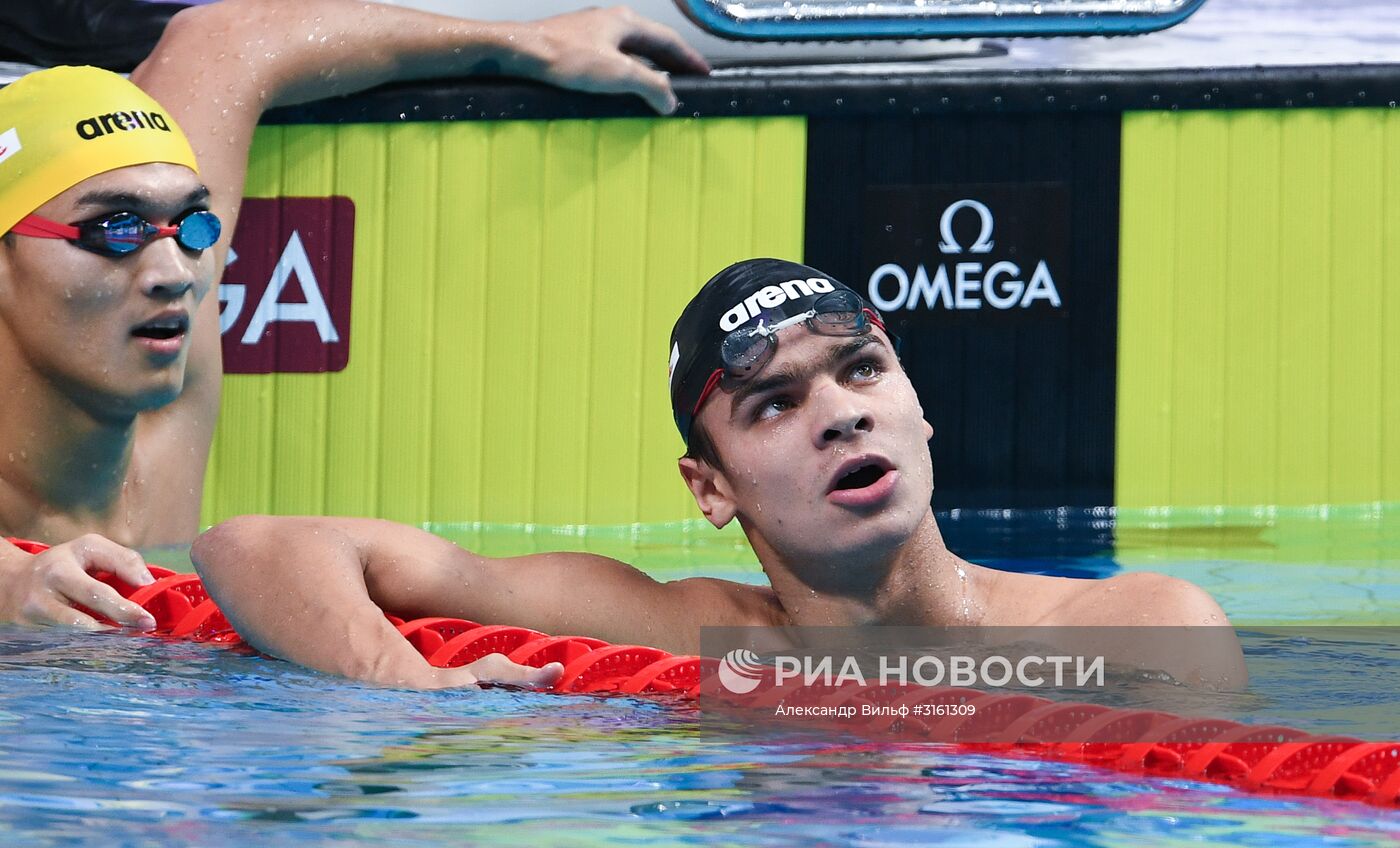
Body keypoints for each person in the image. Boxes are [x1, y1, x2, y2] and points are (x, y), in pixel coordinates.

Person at [191, 259, 1246, 690]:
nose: (839, 412)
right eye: (774, 404)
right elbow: (251, 544)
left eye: (860, 369)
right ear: (710, 488)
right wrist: (399, 682)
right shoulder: (669, 630)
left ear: (915, 405)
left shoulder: (1133, 626)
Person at [0, 0, 709, 629]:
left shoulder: (162, 336)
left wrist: (530, 43)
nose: (174, 276)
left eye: (193, 225)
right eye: (115, 230)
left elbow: (224, 41)